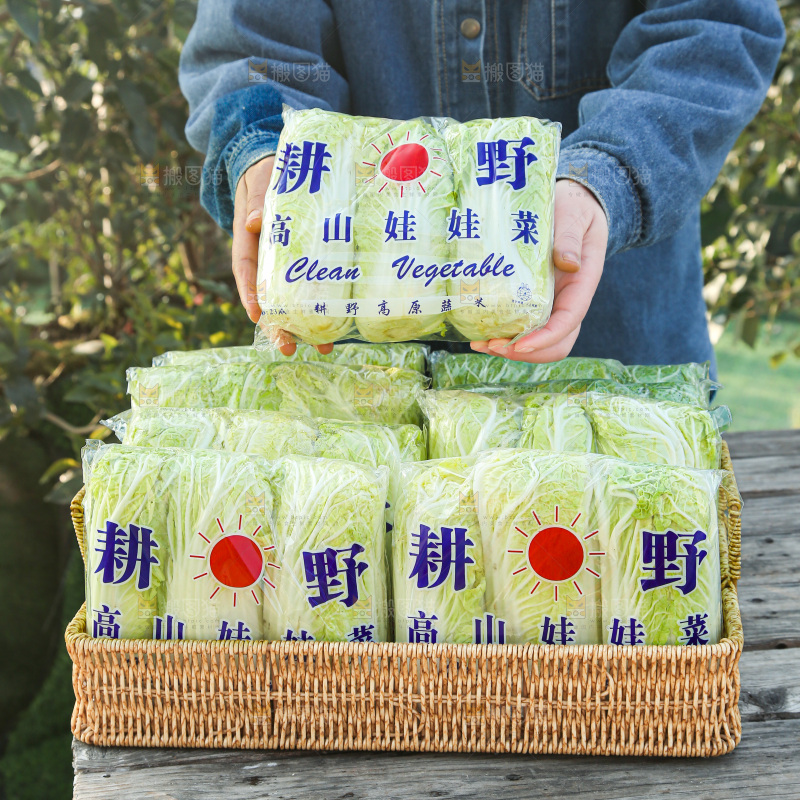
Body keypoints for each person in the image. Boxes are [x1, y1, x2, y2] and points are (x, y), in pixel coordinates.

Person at [178, 1, 784, 369]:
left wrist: (604, 177)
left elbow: (715, 25)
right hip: (358, 369)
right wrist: (263, 154)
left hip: (618, 344)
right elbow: (250, 48)